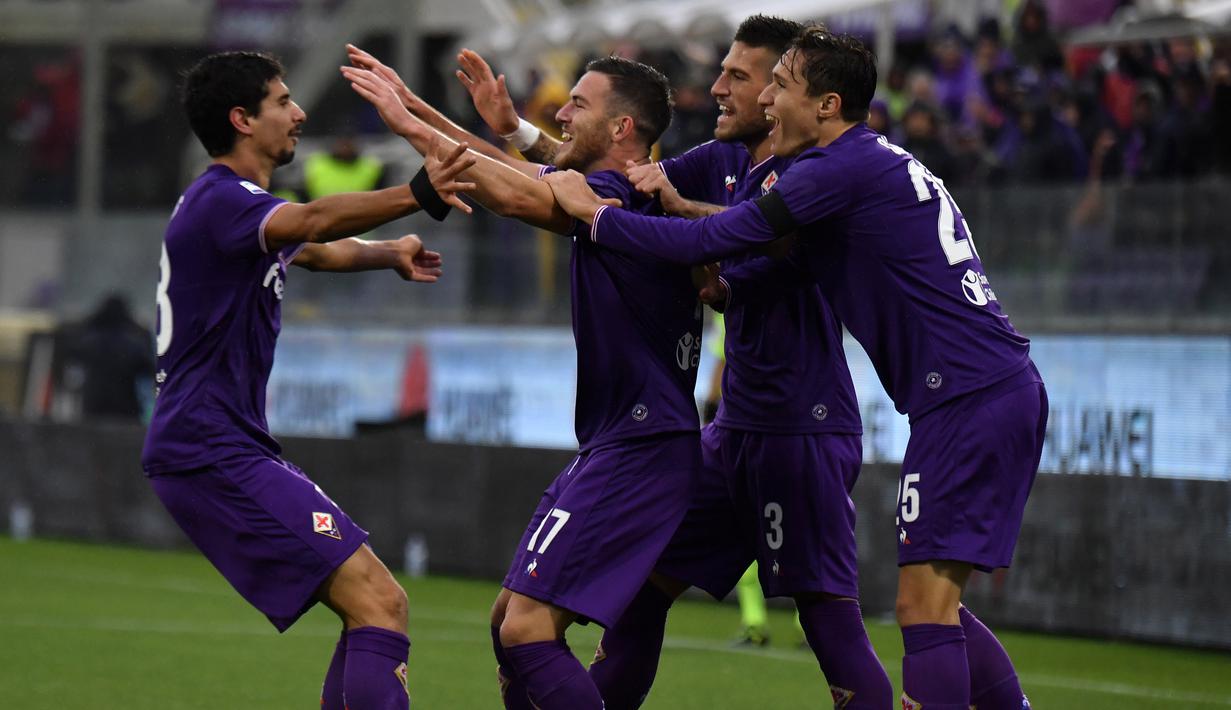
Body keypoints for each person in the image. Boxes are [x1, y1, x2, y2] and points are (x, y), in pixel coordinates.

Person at [544, 27, 1048, 710]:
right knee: (934, 603)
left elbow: (715, 236)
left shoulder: (831, 171)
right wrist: (729, 281)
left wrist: (596, 220)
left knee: (921, 609)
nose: (763, 99)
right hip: (967, 394)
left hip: (963, 400)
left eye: (777, 86)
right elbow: (767, 244)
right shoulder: (855, 168)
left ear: (827, 105)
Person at [341, 53, 702, 710]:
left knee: (527, 628)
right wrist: (416, 107)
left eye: (579, 106)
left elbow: (506, 192)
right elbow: (508, 171)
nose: (561, 111)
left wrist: (404, 124)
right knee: (508, 624)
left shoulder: (618, 197)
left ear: (622, 127)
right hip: (622, 440)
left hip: (643, 445)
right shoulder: (605, 190)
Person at [140, 50, 473, 710]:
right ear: (242, 119)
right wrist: (418, 194)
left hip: (218, 444)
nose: (299, 113)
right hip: (209, 447)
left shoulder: (232, 208)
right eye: (283, 101)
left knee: (374, 605)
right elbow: (312, 222)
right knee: (381, 602)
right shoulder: (223, 201)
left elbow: (312, 247)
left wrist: (386, 254)